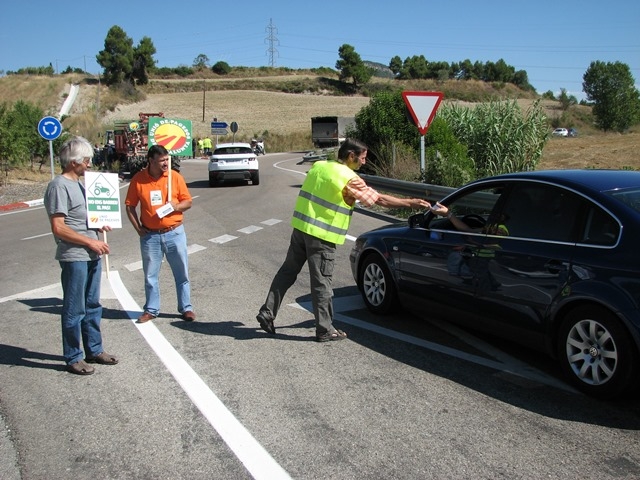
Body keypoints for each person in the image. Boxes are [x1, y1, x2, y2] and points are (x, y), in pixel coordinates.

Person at [256, 138, 431, 341]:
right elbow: (378, 200)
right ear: (351, 156)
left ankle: (267, 312)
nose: (364, 163)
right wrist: (410, 203)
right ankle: (325, 329)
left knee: (287, 272)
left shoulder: (319, 166)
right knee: (322, 283)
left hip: (301, 230)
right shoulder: (349, 178)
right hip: (322, 237)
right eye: (362, 158)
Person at [44, 136, 119, 375]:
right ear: (74, 161)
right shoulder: (59, 186)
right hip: (75, 255)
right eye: (86, 159)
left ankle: (94, 350)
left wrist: (98, 226)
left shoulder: (80, 184)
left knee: (92, 304)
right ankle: (74, 356)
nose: (89, 163)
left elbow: (81, 218)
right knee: (74, 308)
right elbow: (59, 227)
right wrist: (89, 241)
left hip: (91, 253)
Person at [125, 145, 196, 323]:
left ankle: (186, 308)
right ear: (151, 161)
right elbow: (130, 206)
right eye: (162, 160)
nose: (166, 163)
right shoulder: (139, 180)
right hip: (150, 237)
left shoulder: (175, 177)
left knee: (182, 273)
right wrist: (138, 228)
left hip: (174, 233)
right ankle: (151, 309)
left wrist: (176, 206)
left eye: (167, 159)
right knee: (150, 275)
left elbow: (188, 202)